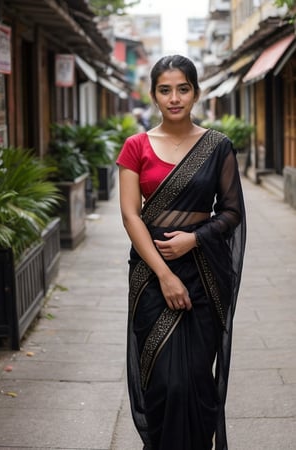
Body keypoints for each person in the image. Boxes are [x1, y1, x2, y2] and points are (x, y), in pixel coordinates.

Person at [116, 54, 246, 450]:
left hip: (205, 274)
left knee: (194, 381)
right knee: (164, 383)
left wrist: (194, 239)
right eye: (165, 90)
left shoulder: (217, 146)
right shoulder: (136, 145)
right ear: (153, 95)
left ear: (196, 92)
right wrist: (165, 274)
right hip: (152, 276)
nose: (175, 98)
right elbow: (130, 215)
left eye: (183, 89)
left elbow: (232, 211)